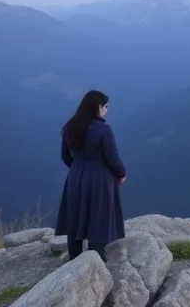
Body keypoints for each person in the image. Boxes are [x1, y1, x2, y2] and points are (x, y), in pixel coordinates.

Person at [55, 90, 126, 262]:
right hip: (99, 181)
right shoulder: (104, 129)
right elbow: (113, 158)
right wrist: (121, 174)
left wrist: (79, 169)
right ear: (98, 107)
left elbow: (65, 157)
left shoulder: (70, 127)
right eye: (105, 107)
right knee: (98, 219)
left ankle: (74, 262)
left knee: (75, 219)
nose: (106, 111)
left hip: (75, 178)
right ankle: (96, 263)